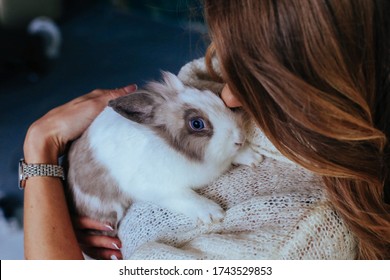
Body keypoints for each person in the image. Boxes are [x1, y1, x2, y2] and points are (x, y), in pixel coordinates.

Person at [23, 0, 390, 260]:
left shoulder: (287, 243)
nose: (227, 94)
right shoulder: (229, 88)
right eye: (231, 57)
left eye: (259, 75)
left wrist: (40, 150)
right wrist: (58, 201)